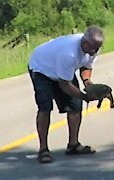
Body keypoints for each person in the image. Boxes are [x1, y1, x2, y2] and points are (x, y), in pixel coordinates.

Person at [28, 26, 104, 163]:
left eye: (96, 49)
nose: (94, 52)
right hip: (42, 69)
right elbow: (64, 85)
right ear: (84, 42)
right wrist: (84, 96)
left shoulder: (94, 47)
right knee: (45, 107)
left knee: (75, 106)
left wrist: (87, 82)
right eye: (92, 48)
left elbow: (86, 66)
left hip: (62, 71)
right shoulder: (68, 53)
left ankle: (73, 145)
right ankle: (43, 149)